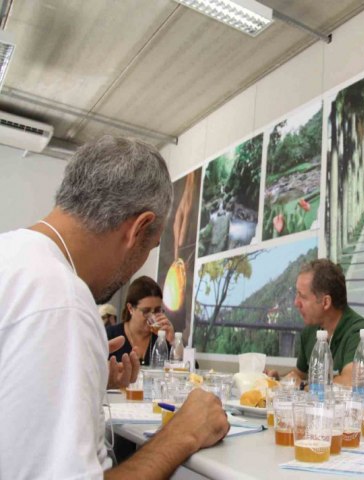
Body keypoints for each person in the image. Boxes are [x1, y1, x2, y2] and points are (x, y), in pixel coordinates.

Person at [0, 136, 229, 479]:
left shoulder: (13, 255)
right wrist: (183, 433)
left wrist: (85, 377)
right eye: (151, 247)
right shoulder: (62, 301)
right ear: (137, 229)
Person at [267, 258, 364, 386]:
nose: (296, 303)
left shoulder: (359, 333)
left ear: (325, 302)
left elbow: (351, 383)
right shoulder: (310, 331)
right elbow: (300, 374)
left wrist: (306, 387)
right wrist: (279, 380)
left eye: (302, 296)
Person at [107, 276, 174, 367]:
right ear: (130, 308)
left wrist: (173, 342)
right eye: (146, 311)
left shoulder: (162, 338)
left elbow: (192, 372)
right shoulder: (110, 335)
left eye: (157, 310)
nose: (152, 316)